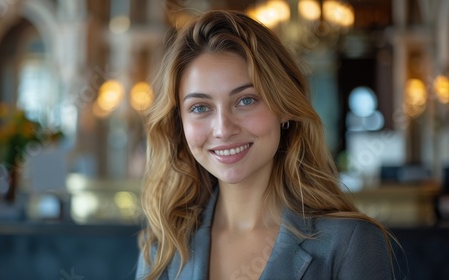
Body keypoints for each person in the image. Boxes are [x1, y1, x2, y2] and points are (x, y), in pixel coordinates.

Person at [136, 10, 403, 280]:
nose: (223, 129)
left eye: (246, 100)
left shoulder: (351, 243)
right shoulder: (164, 246)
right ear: (179, 122)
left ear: (284, 107)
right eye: (200, 107)